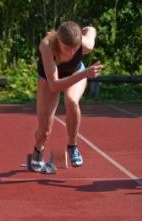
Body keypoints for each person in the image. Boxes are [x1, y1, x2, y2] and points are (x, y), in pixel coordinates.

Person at [30, 21, 103, 173]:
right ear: (58, 40)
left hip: (75, 73)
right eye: (66, 48)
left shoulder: (85, 45)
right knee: (44, 131)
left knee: (71, 101)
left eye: (74, 49)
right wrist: (85, 74)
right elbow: (55, 85)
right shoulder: (47, 45)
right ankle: (38, 151)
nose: (70, 53)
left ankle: (72, 145)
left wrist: (85, 30)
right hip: (49, 79)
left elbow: (92, 30)